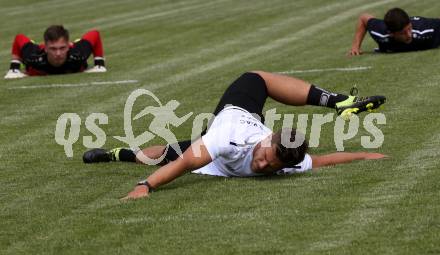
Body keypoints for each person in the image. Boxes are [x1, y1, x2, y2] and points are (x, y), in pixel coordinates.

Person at [83, 71, 387, 200]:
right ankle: (337, 101)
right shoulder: (227, 138)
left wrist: (364, 154)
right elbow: (184, 165)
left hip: (234, 139)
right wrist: (145, 187)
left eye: (273, 167)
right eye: (267, 157)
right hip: (235, 113)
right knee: (255, 78)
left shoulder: (287, 159)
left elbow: (322, 161)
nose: (264, 166)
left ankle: (116, 154)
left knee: (161, 153)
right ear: (267, 141)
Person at [4, 25, 106, 79]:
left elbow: (94, 34)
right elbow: (19, 38)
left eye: (62, 48)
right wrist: (14, 69)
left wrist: (99, 65)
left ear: (67, 46)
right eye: (53, 48)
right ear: (46, 48)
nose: (58, 53)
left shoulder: (78, 54)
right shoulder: (33, 57)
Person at [348, 7, 440, 55]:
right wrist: (355, 47)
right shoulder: (381, 32)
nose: (409, 35)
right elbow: (363, 18)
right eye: (403, 33)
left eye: (409, 28)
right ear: (391, 33)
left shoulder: (426, 29)